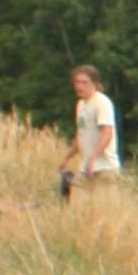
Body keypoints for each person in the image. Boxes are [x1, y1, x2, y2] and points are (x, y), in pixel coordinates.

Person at [58, 64, 117, 197]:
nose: (80, 86)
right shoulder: (81, 105)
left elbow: (107, 133)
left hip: (104, 168)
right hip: (87, 168)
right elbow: (80, 135)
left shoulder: (101, 102)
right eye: (77, 82)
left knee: (105, 208)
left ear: (94, 83)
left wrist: (92, 158)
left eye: (84, 82)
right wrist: (67, 158)